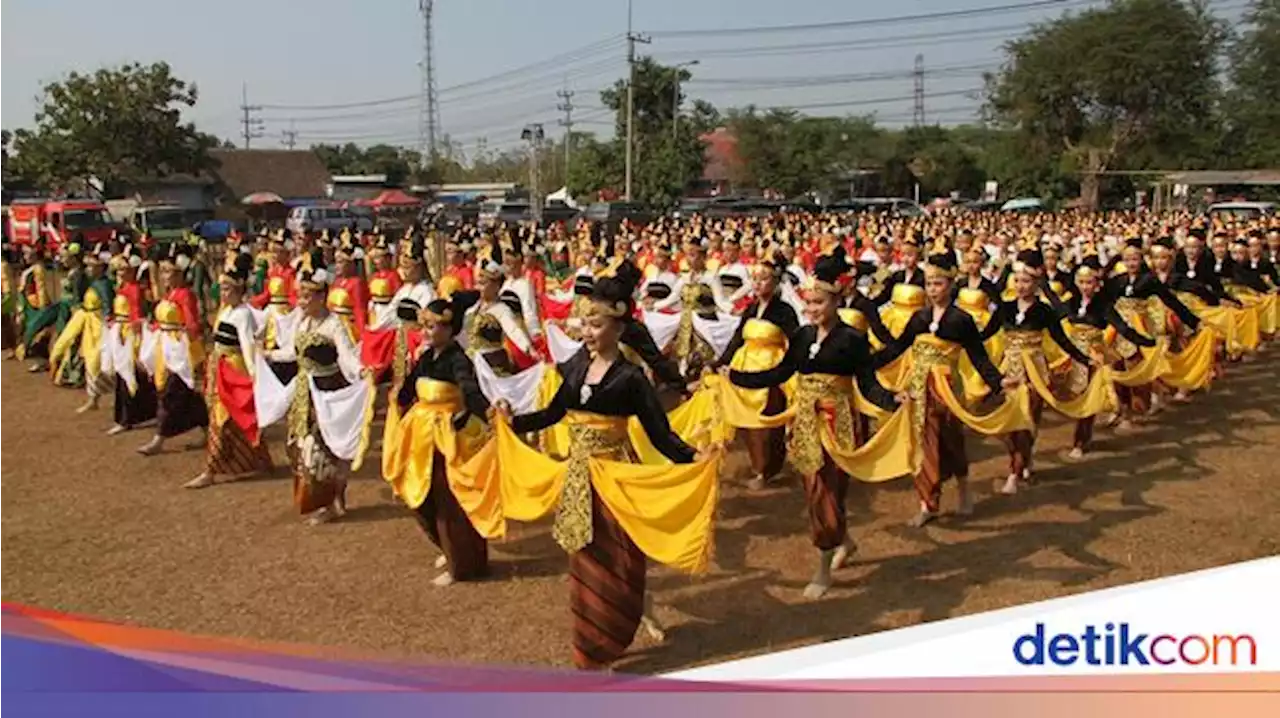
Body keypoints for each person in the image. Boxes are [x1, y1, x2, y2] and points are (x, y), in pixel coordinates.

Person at [493, 272, 719, 671]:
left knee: (619, 564)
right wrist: (515, 422)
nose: (588, 332)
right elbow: (554, 413)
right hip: (579, 483)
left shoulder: (630, 379)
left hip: (616, 481)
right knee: (584, 562)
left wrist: (693, 459)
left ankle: (612, 634)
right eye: (585, 324)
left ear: (619, 327)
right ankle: (591, 647)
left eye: (596, 324)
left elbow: (662, 437)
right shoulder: (575, 365)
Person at [724, 250, 903, 598]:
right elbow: (781, 372)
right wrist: (737, 377)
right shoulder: (803, 337)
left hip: (838, 422)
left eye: (819, 302)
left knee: (829, 488)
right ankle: (843, 541)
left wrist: (892, 399)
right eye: (808, 303)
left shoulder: (852, 339)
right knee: (813, 489)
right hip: (806, 421)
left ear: (835, 301)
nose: (812, 309)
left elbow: (868, 383)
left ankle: (823, 565)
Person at [874, 240, 1018, 528]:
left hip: (949, 390)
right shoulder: (919, 317)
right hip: (919, 388)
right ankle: (928, 503)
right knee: (923, 443)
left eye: (938, 283)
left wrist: (999, 381)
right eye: (929, 283)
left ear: (951, 284)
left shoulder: (961, 320)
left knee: (952, 441)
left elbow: (979, 357)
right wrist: (866, 363)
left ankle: (964, 487)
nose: (932, 289)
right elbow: (898, 347)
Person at [383, 290, 496, 587]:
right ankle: (447, 548)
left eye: (432, 327)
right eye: (424, 326)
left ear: (449, 328)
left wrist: (487, 413)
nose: (426, 332)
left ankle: (462, 562)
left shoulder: (458, 360)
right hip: (419, 438)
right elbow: (408, 390)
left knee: (448, 501)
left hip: (445, 439)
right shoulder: (426, 358)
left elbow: (470, 392)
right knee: (419, 498)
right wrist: (397, 396)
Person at [269, 265, 370, 525]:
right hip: (304, 393)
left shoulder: (334, 324)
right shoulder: (302, 321)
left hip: (328, 390)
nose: (301, 302)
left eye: (307, 297)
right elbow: (293, 353)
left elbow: (347, 356)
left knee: (322, 450)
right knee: (298, 447)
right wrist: (268, 355)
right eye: (300, 296)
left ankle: (331, 501)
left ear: (321, 297)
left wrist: (361, 372)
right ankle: (327, 499)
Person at [184, 252, 274, 490]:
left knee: (222, 419)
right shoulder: (225, 311)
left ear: (238, 290)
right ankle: (259, 459)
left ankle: (210, 470)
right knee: (231, 418)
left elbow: (246, 344)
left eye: (227, 290)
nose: (222, 293)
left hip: (233, 367)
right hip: (218, 365)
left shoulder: (243, 314)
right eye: (221, 289)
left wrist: (254, 375)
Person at [711, 254, 800, 490]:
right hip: (744, 367)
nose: (759, 283)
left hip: (770, 371)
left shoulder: (784, 311)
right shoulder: (750, 309)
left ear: (775, 282)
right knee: (747, 423)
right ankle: (757, 465)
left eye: (764, 279)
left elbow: (795, 340)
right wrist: (719, 363)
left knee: (767, 422)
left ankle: (767, 469)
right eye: (755, 279)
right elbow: (737, 339)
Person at [138, 244, 209, 457]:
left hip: (180, 350)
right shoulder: (170, 295)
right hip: (166, 346)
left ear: (180, 273)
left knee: (170, 394)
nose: (165, 276)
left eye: (169, 272)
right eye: (163, 271)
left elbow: (191, 322)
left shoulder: (185, 295)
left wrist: (190, 336)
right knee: (188, 396)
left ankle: (159, 439)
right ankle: (208, 430)